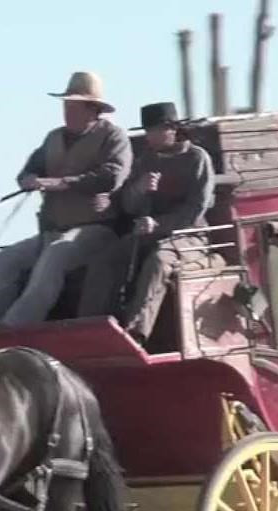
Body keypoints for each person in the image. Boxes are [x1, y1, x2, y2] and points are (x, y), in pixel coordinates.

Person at [0, 71, 133, 328]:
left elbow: (112, 177)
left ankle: (15, 329)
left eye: (74, 106)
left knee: (55, 256)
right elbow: (29, 170)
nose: (67, 111)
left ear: (93, 109)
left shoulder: (113, 137)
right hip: (51, 231)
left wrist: (62, 183)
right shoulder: (53, 138)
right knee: (1, 263)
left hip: (96, 231)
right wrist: (28, 179)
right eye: (66, 105)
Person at [85, 101, 216, 344]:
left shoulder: (197, 159)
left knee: (159, 261)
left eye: (155, 131)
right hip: (147, 233)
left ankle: (136, 332)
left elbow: (194, 209)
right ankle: (92, 327)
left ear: (172, 129)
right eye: (148, 131)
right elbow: (129, 206)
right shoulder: (146, 160)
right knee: (106, 259)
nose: (150, 137)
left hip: (190, 237)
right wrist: (140, 189)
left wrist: (158, 224)